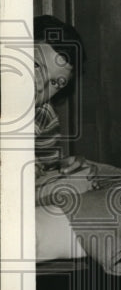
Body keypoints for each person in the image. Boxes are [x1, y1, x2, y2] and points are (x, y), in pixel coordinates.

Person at [33, 15, 85, 177]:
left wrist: (60, 166)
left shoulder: (44, 115)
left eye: (56, 83)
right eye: (36, 66)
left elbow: (46, 164)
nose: (41, 86)